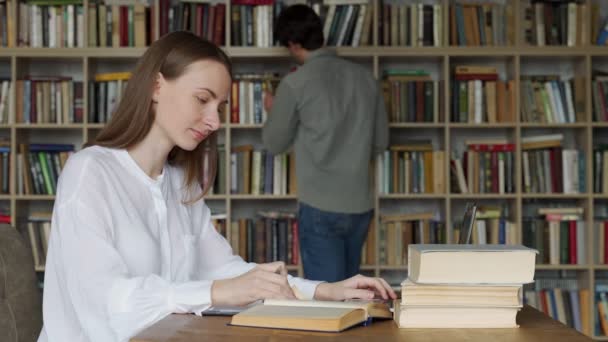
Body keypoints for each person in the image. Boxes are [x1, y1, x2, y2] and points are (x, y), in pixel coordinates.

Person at [37, 31, 395, 342]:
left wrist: (324, 291)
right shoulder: (90, 173)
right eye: (202, 99)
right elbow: (105, 301)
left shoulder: (180, 184)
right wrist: (218, 291)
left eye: (220, 106)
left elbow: (226, 270)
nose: (214, 121)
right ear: (156, 86)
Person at [262, 5, 389, 282]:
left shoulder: (295, 84)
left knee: (328, 301)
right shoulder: (367, 79)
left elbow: (274, 143)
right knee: (352, 291)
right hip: (360, 205)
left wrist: (274, 112)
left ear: (293, 44)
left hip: (319, 205)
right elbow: (380, 143)